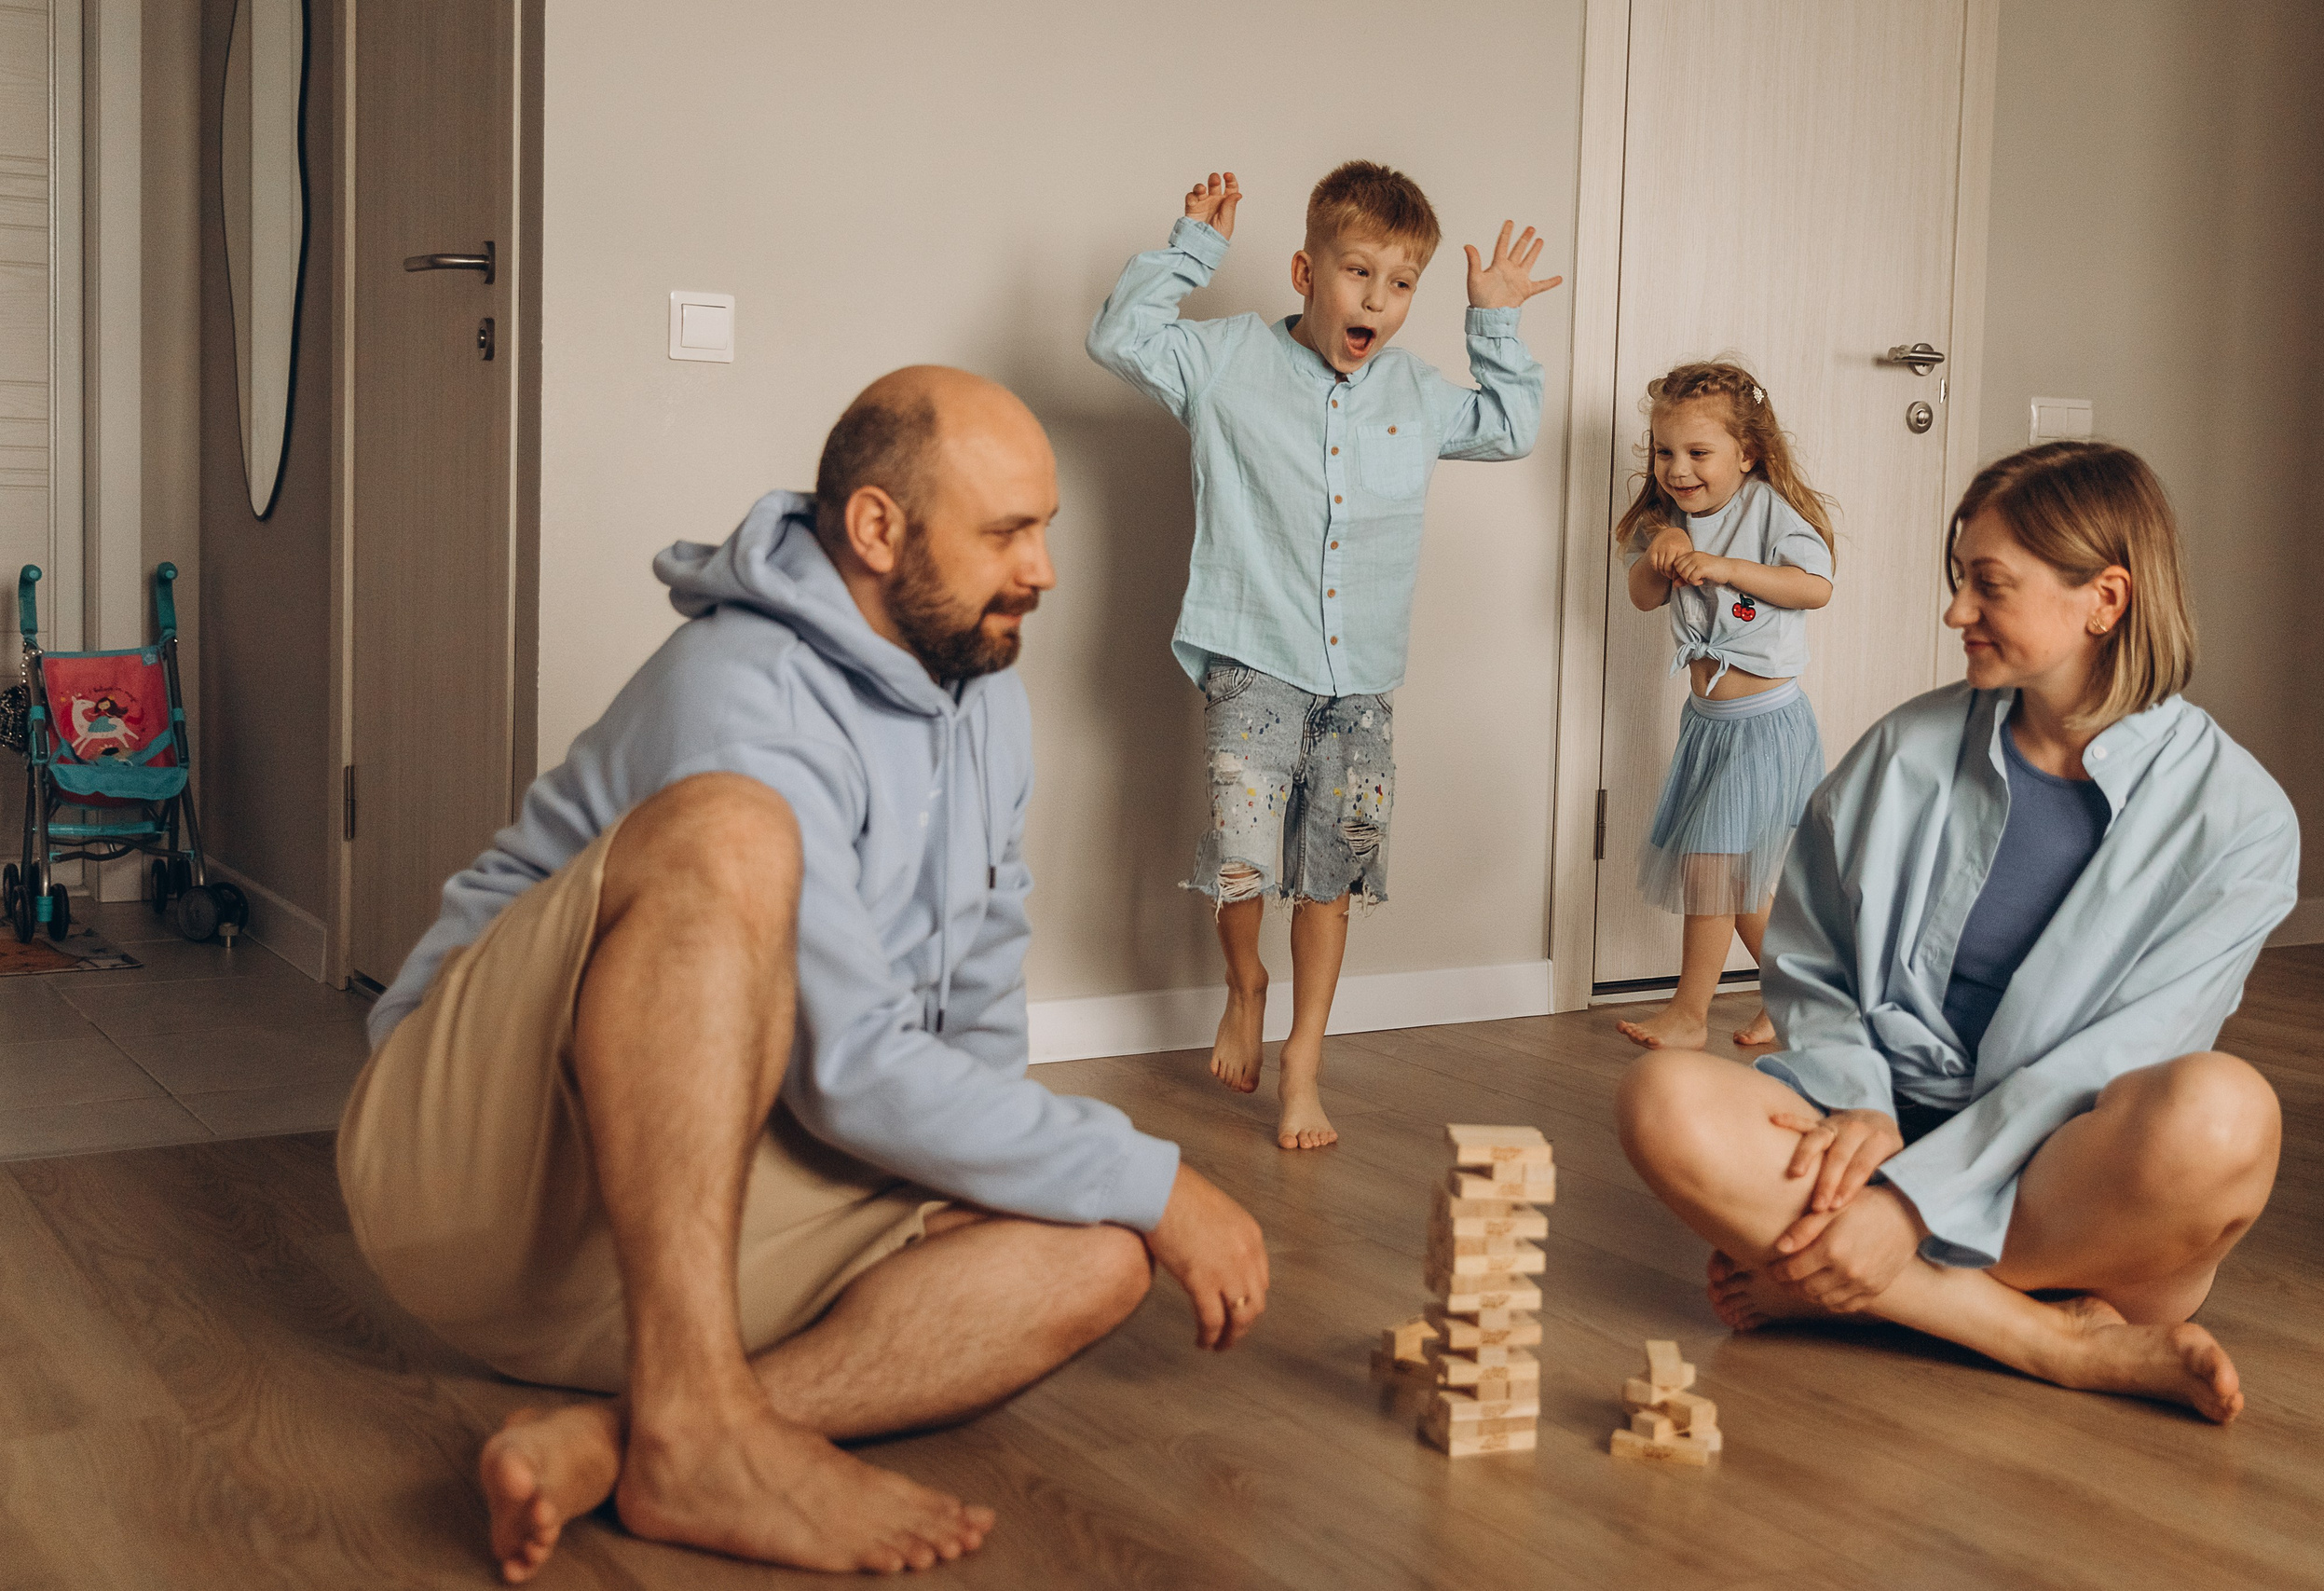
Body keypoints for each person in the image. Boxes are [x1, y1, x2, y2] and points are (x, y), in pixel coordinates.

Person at [336, 367, 1271, 1583]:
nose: (1042, 569)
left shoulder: (982, 688)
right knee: (734, 826)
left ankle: (645, 1434)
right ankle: (695, 1426)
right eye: (1007, 532)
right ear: (880, 528)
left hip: (673, 1191)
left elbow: (976, 999)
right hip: (480, 1168)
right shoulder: (746, 692)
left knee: (1092, 1250)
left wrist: (1035, 1187)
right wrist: (1160, 1175)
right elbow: (856, 1072)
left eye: (1045, 528)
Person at [1615, 441, 2297, 1423]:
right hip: (1872, 1137)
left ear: (2104, 598)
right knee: (1661, 1100)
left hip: (2066, 1181)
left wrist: (1910, 1207)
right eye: (1957, 580)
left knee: (2226, 1114)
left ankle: (1858, 1286)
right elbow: (1809, 960)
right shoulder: (1906, 748)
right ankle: (2042, 1335)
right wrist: (1858, 1104)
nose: (1956, 612)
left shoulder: (2242, 818)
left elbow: (2131, 1048)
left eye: (1988, 586)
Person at [1087, 161, 1562, 1149]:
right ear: (1305, 270)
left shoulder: (1415, 392)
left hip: (1361, 682)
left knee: (1331, 875)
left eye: (1400, 286)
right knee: (1241, 860)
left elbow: (1511, 425)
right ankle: (1244, 980)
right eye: (1358, 275)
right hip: (1250, 655)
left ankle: (1305, 1058)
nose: (1377, 302)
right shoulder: (1222, 362)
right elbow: (1117, 337)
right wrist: (1192, 249)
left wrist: (1497, 324)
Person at [1610, 361, 1837, 1052]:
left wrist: (1729, 568)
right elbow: (1644, 598)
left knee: (1713, 867)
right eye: (1665, 451)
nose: (1678, 468)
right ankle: (1805, 999)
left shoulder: (1770, 511)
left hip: (1766, 724)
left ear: (1748, 452)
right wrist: (1661, 552)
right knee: (1735, 884)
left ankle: (1689, 1011)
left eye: (1698, 452)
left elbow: (1815, 586)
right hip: (1707, 727)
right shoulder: (1666, 520)